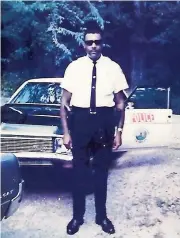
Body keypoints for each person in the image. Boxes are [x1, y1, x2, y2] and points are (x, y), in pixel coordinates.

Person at [60, 21, 129, 235]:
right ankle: (77, 217)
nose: (93, 46)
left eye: (97, 42)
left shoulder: (113, 67)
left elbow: (121, 103)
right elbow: (63, 103)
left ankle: (102, 217)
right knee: (79, 174)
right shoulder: (74, 67)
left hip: (104, 123)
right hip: (80, 122)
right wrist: (66, 131)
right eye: (89, 42)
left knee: (101, 174)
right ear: (83, 44)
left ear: (102, 44)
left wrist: (118, 131)